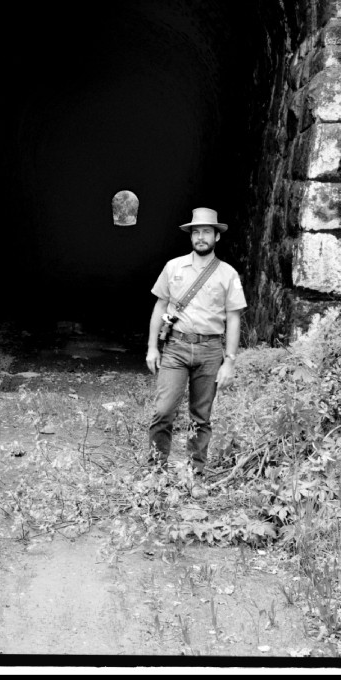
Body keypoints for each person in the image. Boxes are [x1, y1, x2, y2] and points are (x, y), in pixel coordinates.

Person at [145, 207, 246, 485]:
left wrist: (230, 361)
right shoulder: (173, 267)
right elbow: (160, 306)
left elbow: (234, 319)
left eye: (206, 232)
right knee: (164, 410)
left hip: (211, 350)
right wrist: (153, 347)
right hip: (176, 347)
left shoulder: (228, 274)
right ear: (191, 236)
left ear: (217, 237)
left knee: (201, 417)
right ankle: (155, 471)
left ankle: (194, 474)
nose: (201, 237)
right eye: (196, 232)